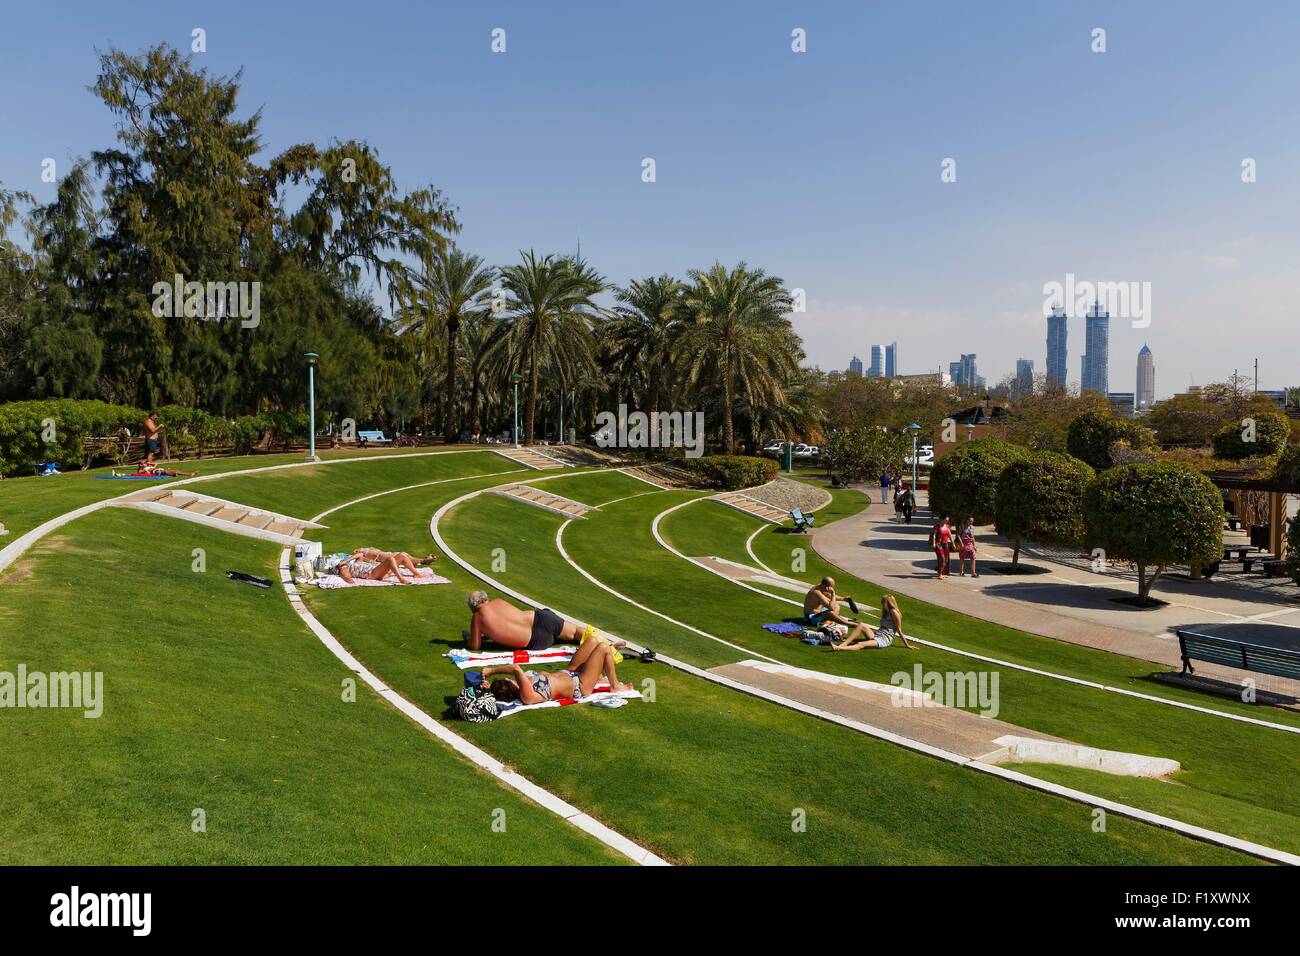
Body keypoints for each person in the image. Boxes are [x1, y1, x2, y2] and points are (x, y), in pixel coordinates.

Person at [476, 636, 633, 704]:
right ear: (510, 686)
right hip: (580, 686)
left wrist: (490, 689)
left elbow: (513, 677)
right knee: (603, 648)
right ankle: (615, 685)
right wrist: (492, 671)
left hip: (569, 673)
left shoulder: (520, 685)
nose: (510, 679)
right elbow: (515, 668)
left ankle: (597, 676)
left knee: (592, 641)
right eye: (507, 680)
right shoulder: (527, 695)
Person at [466, 591, 583, 651]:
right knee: (577, 632)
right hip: (542, 618)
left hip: (537, 642)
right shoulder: (498, 601)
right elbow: (510, 622)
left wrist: (468, 637)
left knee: (571, 636)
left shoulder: (477, 618)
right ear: (486, 599)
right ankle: (599, 641)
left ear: (472, 606)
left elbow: (475, 646)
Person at [831, 595, 914, 651]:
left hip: (884, 639)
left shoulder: (894, 612)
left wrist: (907, 645)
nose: (882, 604)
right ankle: (844, 644)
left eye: (883, 602)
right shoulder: (886, 612)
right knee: (861, 625)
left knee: (861, 644)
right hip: (877, 635)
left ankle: (839, 648)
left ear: (888, 603)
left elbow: (899, 630)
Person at [336, 548, 435, 585]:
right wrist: (349, 580)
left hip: (380, 570)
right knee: (391, 559)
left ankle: (416, 574)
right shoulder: (344, 570)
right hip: (372, 574)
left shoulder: (354, 563)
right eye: (340, 562)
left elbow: (360, 555)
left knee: (402, 555)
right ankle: (401, 579)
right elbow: (346, 577)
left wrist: (346, 560)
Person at [929, 514, 952, 579]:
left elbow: (949, 535)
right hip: (938, 544)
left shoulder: (948, 526)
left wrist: (952, 543)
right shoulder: (937, 526)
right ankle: (940, 574)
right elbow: (934, 535)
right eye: (946, 520)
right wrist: (933, 543)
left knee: (946, 560)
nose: (947, 521)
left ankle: (938, 568)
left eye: (948, 520)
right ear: (942, 519)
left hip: (945, 544)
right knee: (942, 559)